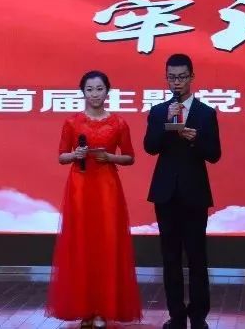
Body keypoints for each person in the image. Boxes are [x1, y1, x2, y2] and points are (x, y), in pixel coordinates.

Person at [46, 70, 143, 327]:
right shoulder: (72, 122)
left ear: (107, 91)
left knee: (107, 244)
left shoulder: (119, 123)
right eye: (90, 89)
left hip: (107, 186)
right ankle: (85, 309)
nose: (95, 94)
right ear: (83, 92)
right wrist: (75, 155)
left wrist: (109, 158)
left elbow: (130, 157)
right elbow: (61, 156)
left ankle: (102, 309)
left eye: (99, 89)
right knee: (81, 244)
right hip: (80, 186)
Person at [144, 54, 222, 329]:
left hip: (194, 194)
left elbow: (214, 154)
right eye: (172, 77)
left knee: (197, 258)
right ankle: (176, 315)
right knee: (170, 258)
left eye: (181, 77)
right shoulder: (158, 111)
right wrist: (167, 127)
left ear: (192, 77)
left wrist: (196, 139)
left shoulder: (205, 113)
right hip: (165, 194)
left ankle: (198, 316)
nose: (176, 82)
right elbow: (150, 147)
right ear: (166, 79)